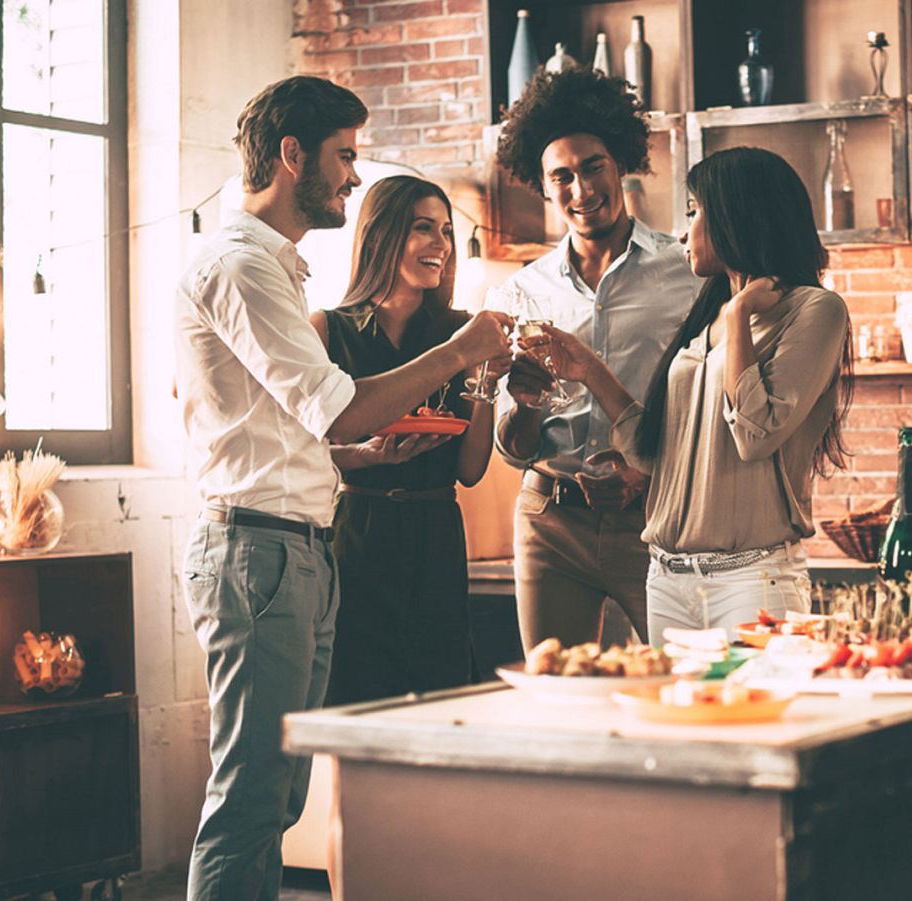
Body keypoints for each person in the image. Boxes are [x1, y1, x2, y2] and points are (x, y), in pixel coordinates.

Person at [173, 76, 510, 900]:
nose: (354, 176)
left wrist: (361, 458)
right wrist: (462, 354)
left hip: (301, 545)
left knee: (280, 795)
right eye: (345, 156)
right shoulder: (241, 266)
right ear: (294, 156)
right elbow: (345, 407)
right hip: (259, 550)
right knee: (251, 801)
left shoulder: (274, 269)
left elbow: (311, 433)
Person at [540, 146, 851, 640]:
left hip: (751, 580)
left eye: (695, 211)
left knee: (748, 714)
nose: (684, 231)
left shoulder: (814, 311)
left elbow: (756, 433)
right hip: (665, 577)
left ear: (737, 215)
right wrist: (589, 370)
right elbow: (651, 452)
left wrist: (740, 317)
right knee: (675, 715)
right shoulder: (706, 323)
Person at [492, 68, 699, 652]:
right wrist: (527, 404)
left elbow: (705, 407)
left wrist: (647, 471)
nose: (580, 190)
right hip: (550, 521)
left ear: (621, 165)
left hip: (655, 520)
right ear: (541, 184)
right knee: (554, 696)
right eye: (562, 176)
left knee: (677, 687)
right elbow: (512, 447)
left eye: (593, 167)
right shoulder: (520, 294)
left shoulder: (686, 274)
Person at [308, 175, 503, 705]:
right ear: (379, 236)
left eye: (445, 231)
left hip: (437, 531)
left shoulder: (464, 332)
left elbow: (469, 469)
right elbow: (304, 453)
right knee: (355, 692)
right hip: (357, 534)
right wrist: (364, 457)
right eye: (423, 228)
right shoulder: (326, 330)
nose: (440, 245)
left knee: (443, 691)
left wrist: (485, 379)